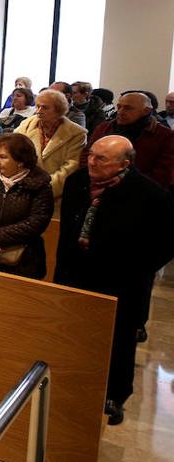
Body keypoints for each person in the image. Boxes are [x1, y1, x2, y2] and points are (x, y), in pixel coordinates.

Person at [55, 136, 174, 425]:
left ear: (125, 164)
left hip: (122, 280)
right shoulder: (77, 182)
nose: (92, 162)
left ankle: (115, 395)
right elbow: (67, 232)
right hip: (77, 272)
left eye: (102, 159)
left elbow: (165, 243)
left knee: (119, 340)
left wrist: (138, 270)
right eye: (91, 155)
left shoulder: (150, 195)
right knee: (74, 333)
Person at [0, 133, 53, 280]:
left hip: (22, 261)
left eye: (3, 157)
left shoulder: (39, 184)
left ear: (21, 161)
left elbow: (37, 221)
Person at [82, 91, 174, 189]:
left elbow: (163, 174)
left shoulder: (164, 135)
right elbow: (86, 154)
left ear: (146, 111)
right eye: (119, 107)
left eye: (128, 108)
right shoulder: (104, 128)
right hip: (96, 185)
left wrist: (126, 184)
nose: (120, 112)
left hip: (140, 193)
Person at [15, 88, 87, 202]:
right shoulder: (26, 126)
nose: (38, 111)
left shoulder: (76, 134)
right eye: (37, 106)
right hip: (24, 191)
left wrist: (43, 190)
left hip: (55, 196)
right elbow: (14, 156)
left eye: (45, 107)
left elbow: (70, 168)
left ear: (59, 110)